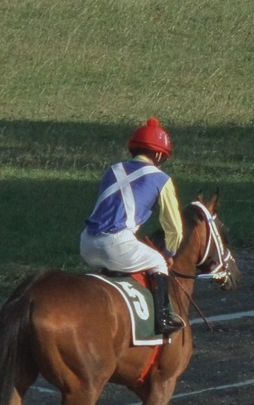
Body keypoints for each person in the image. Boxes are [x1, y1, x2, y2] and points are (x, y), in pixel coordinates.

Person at [79, 117, 185, 338]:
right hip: (116, 245)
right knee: (157, 261)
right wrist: (169, 253)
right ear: (158, 155)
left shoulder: (113, 169)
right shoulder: (162, 179)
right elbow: (174, 228)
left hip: (87, 243)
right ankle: (163, 319)